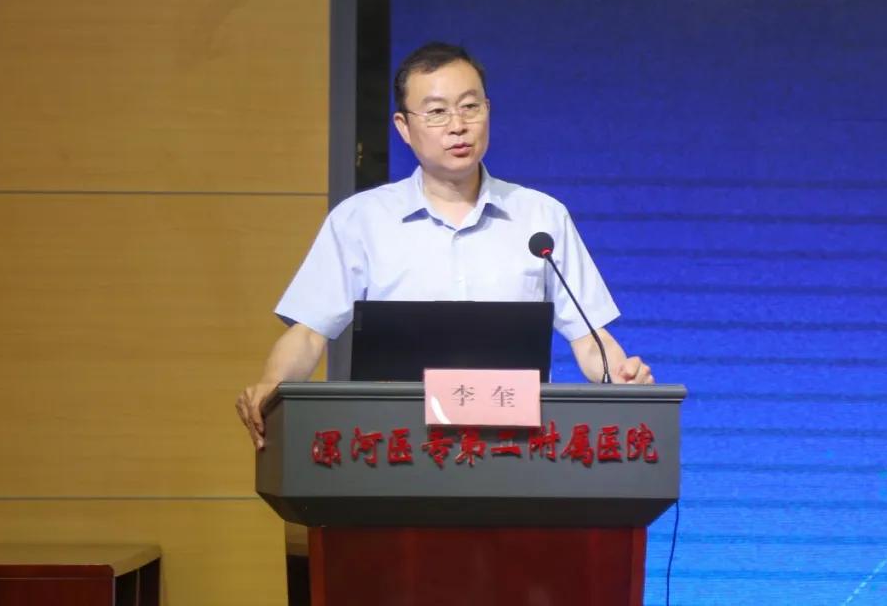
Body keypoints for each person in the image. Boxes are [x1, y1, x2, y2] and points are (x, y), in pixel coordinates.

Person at [236, 42, 653, 449]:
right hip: (395, 448)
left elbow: (588, 337)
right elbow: (309, 333)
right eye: (437, 112)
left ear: (488, 111)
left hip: (514, 447)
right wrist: (272, 383)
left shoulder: (541, 217)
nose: (458, 125)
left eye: (470, 107)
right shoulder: (361, 220)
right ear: (404, 127)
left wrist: (619, 373)